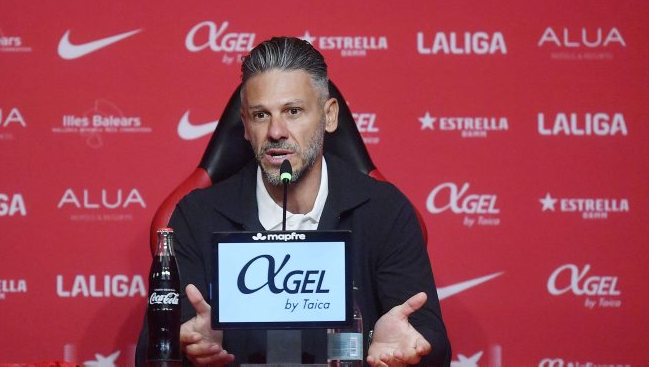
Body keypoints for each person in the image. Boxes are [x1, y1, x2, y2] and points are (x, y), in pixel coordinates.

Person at [137, 36, 451, 365]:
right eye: (261, 115)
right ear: (245, 125)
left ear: (329, 116)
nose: (276, 131)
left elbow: (432, 342)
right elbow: (149, 350)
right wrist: (184, 347)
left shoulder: (384, 210)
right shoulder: (197, 216)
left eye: (293, 111)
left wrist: (405, 349)